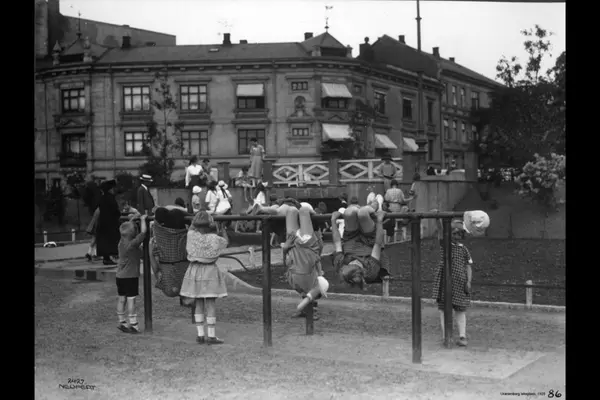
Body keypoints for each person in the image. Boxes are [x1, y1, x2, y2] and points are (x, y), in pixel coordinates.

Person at [256, 202, 329, 320]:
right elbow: (316, 257)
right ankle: (311, 311)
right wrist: (285, 249)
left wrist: (285, 248)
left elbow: (287, 263)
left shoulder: (297, 283)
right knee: (298, 210)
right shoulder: (307, 283)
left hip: (296, 245)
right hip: (301, 245)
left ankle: (311, 311)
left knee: (294, 210)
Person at [180, 211, 229, 345]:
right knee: (210, 303)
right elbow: (226, 241)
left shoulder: (192, 236)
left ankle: (200, 334)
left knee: (199, 302)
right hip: (209, 271)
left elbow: (191, 227)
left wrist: (197, 218)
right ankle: (211, 335)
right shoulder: (215, 239)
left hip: (194, 270)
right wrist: (222, 229)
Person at [330, 205, 391, 290]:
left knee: (349, 212)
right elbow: (378, 244)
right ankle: (372, 207)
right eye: (356, 264)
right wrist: (379, 221)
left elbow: (337, 242)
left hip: (350, 237)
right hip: (369, 239)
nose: (355, 261)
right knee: (363, 213)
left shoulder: (340, 265)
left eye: (351, 263)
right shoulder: (370, 271)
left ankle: (356, 207)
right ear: (362, 270)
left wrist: (333, 220)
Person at [115, 214, 148, 334]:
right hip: (130, 277)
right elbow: (143, 233)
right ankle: (133, 325)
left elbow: (126, 229)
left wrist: (132, 219)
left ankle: (122, 321)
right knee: (131, 300)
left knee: (121, 299)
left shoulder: (121, 242)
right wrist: (143, 219)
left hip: (120, 276)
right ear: (133, 233)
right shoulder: (133, 244)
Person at [150, 207, 190, 298]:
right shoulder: (169, 291)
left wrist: (151, 252)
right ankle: (189, 215)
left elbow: (156, 270)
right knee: (164, 212)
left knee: (173, 213)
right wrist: (151, 253)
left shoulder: (175, 290)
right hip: (169, 244)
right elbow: (156, 269)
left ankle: (190, 215)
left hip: (176, 245)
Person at [96, 180, 121, 265]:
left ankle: (106, 258)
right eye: (113, 188)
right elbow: (115, 210)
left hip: (103, 223)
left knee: (105, 242)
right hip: (110, 223)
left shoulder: (102, 197)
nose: (114, 190)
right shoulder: (110, 198)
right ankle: (110, 257)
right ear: (110, 189)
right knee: (111, 241)